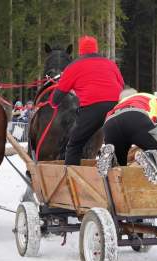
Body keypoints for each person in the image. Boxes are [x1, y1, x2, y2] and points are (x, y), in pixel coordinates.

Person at [51, 35, 124, 165]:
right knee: (116, 143)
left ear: (80, 51)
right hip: (117, 107)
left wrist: (52, 102)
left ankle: (71, 177)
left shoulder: (74, 66)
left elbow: (57, 96)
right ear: (96, 50)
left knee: (74, 145)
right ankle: (115, 171)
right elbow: (121, 85)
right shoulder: (110, 64)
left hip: (92, 109)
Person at [99, 89, 157, 184]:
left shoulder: (117, 106)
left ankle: (111, 161)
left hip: (109, 122)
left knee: (120, 167)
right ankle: (152, 158)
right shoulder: (146, 96)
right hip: (135, 116)